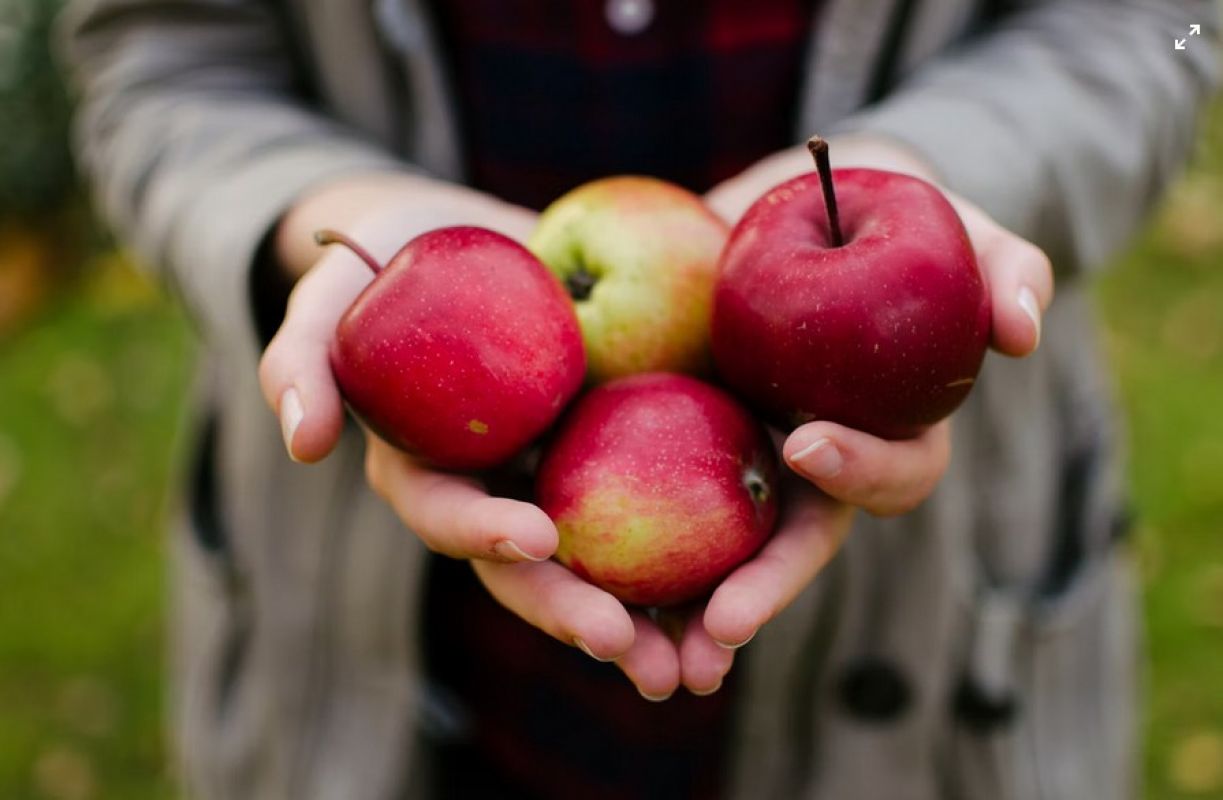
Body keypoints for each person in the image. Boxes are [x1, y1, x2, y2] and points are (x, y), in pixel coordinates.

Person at [59, 0, 1217, 797]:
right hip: (385, 651)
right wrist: (312, 210)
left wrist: (929, 160)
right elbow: (159, 54)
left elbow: (1153, 23)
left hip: (932, 640)